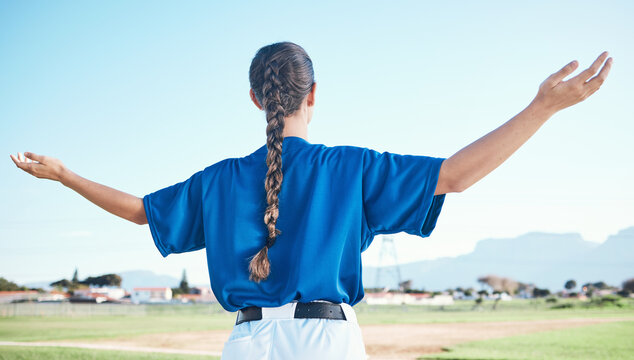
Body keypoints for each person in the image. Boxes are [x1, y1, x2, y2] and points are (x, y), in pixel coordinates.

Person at [10, 42, 612, 359]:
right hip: (325, 342)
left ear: (254, 99)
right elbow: (454, 175)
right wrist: (543, 108)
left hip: (245, 343)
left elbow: (142, 209)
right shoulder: (348, 167)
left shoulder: (219, 179)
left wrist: (67, 176)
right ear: (314, 94)